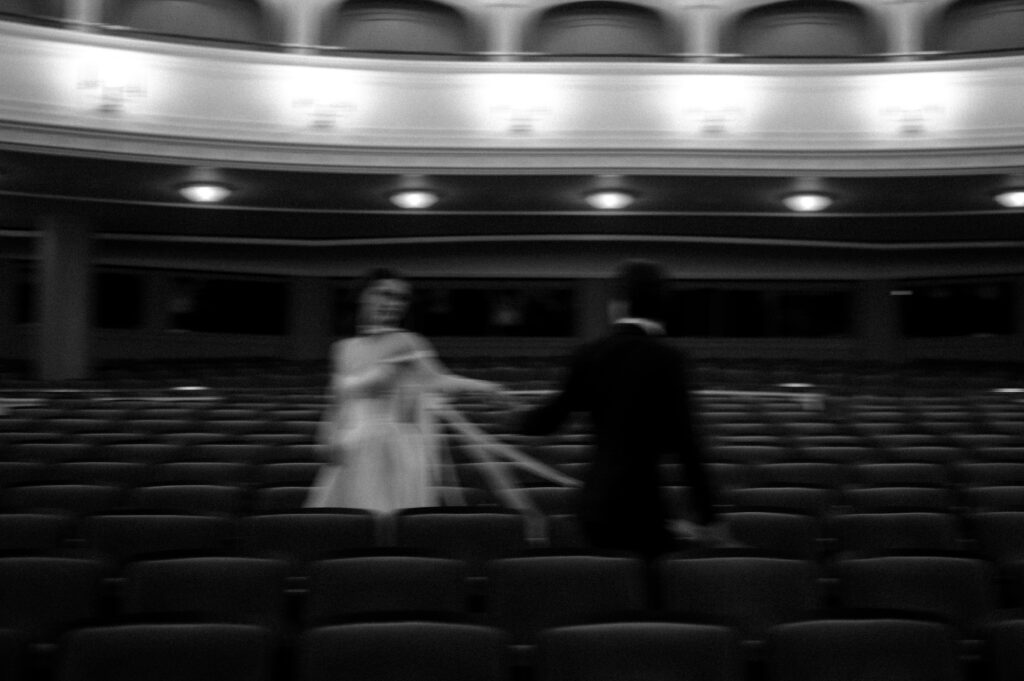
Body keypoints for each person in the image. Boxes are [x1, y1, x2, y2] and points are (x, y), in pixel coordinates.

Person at [517, 260, 731, 557]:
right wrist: (709, 516)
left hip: (595, 509)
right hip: (644, 510)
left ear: (619, 305)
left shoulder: (590, 354)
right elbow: (688, 446)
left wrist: (513, 417)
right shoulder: (670, 360)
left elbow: (548, 421)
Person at [306, 268, 505, 513]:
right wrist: (326, 436)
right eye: (384, 294)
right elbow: (337, 401)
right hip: (350, 448)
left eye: (400, 298)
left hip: (392, 449)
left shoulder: (407, 341)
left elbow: (438, 380)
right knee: (348, 520)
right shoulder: (343, 348)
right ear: (362, 295)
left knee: (386, 518)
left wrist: (484, 387)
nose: (392, 304)